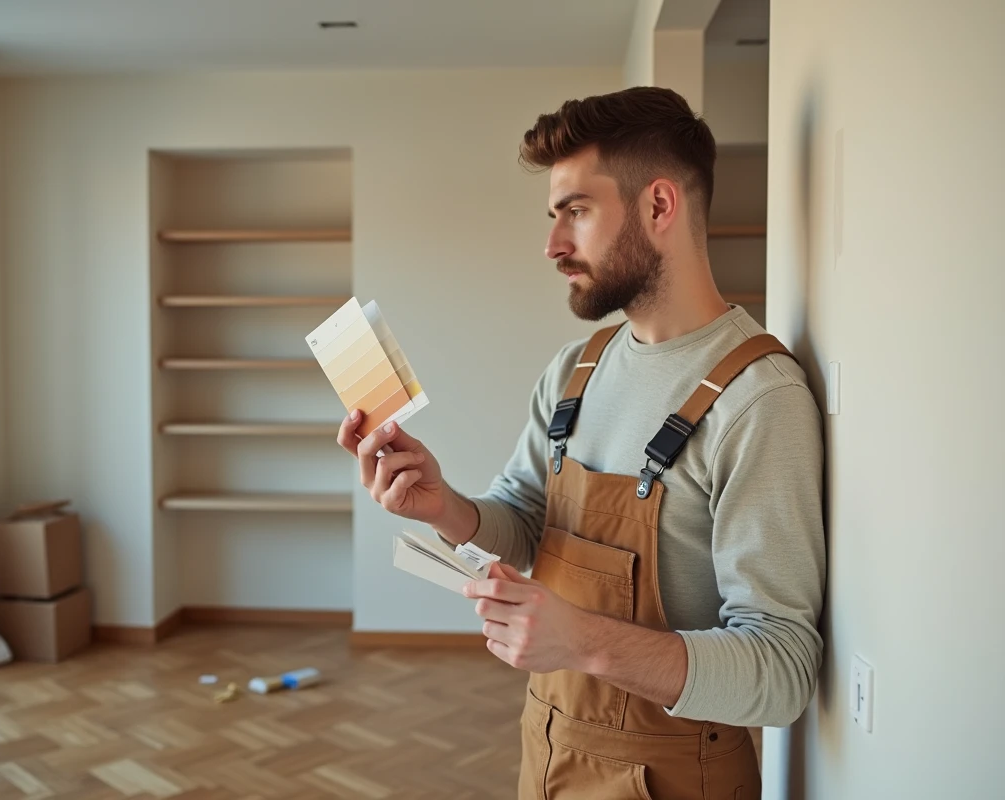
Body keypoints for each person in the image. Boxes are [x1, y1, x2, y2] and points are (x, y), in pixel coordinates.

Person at [337, 86, 825, 800]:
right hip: (548, 750)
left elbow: (781, 672)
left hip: (676, 777)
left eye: (577, 211)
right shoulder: (576, 370)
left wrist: (585, 641)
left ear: (660, 207)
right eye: (553, 215)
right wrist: (444, 507)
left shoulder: (758, 398)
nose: (552, 244)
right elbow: (527, 522)